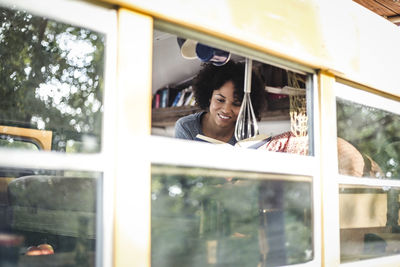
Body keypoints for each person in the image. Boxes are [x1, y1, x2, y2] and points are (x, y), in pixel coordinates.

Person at [174, 60, 265, 145]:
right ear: (209, 97)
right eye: (220, 100)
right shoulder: (186, 127)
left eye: (236, 103)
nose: (226, 110)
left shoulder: (248, 132)